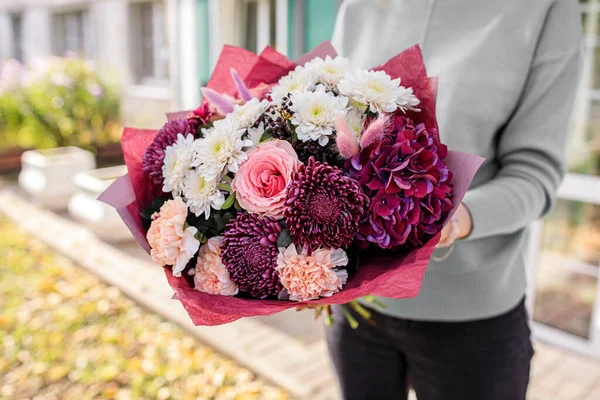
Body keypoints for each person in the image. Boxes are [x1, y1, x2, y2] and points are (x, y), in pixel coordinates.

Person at [328, 0, 583, 399]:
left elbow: (535, 173)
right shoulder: (359, 6)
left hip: (472, 323)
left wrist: (457, 217)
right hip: (357, 305)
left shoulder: (544, 9)